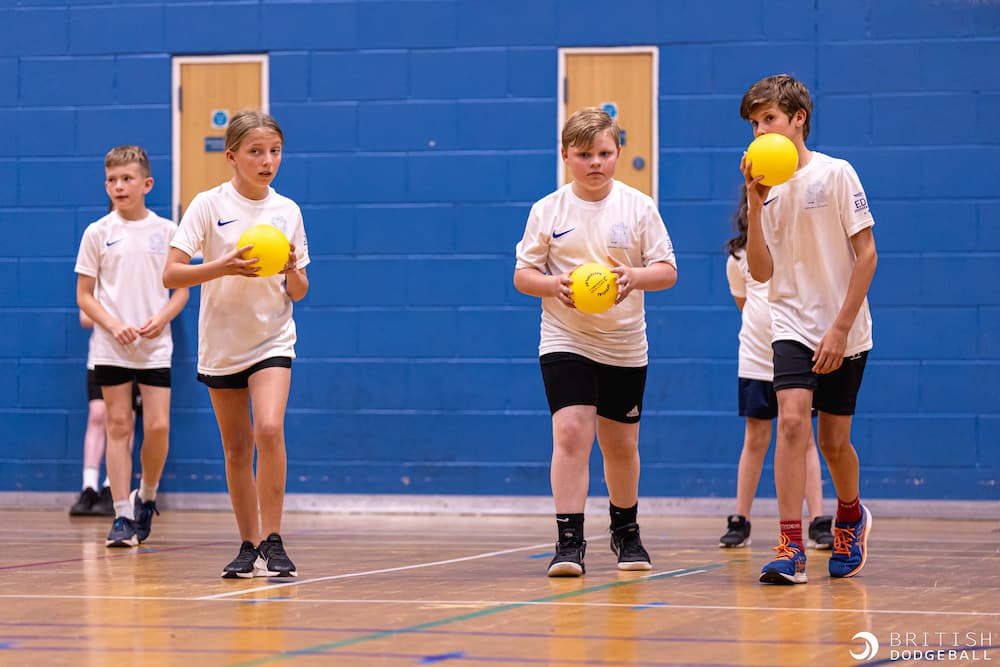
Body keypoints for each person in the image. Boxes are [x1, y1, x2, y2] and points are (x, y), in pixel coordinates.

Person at [513, 107, 678, 577]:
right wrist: (553, 286)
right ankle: (569, 542)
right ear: (566, 155)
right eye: (584, 154)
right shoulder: (547, 210)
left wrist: (635, 276)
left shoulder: (639, 206)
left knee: (621, 445)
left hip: (624, 342)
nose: (595, 163)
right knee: (570, 432)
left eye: (604, 153)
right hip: (566, 336)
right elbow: (523, 275)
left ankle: (626, 532)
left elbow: (667, 271)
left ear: (618, 153)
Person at [740, 74, 877, 584]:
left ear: (798, 119)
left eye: (769, 119)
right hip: (790, 322)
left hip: (844, 325)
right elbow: (760, 271)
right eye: (754, 123)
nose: (760, 130)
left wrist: (840, 329)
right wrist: (755, 205)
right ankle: (790, 545)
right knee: (792, 422)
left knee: (834, 442)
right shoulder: (766, 189)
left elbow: (867, 257)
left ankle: (849, 516)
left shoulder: (837, 173)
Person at [163, 110, 310, 579]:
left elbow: (300, 289)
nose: (268, 161)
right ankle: (248, 544)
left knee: (269, 429)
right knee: (236, 447)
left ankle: (274, 538)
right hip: (223, 342)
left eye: (275, 151)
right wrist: (221, 266)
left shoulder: (287, 211)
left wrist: (290, 268)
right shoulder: (207, 205)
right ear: (232, 157)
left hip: (272, 337)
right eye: (256, 152)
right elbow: (171, 273)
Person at [75, 145, 189, 546]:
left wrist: (163, 318)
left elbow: (181, 290)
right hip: (111, 347)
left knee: (157, 427)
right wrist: (113, 323)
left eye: (126, 179)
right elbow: (84, 295)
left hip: (155, 348)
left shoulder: (168, 231)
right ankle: (122, 515)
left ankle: (148, 495)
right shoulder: (97, 233)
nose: (118, 186)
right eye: (111, 180)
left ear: (147, 183)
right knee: (118, 426)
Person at [719, 188, 833, 550]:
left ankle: (817, 519)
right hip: (755, 359)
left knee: (803, 438)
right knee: (755, 438)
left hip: (796, 357)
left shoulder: (799, 250)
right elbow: (745, 303)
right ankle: (741, 518)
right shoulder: (739, 257)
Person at [68, 309, 141, 517]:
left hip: (134, 356)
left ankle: (112, 487)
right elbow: (85, 317)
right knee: (97, 415)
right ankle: (89, 488)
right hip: (101, 356)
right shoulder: (96, 280)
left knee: (125, 418)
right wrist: (114, 323)